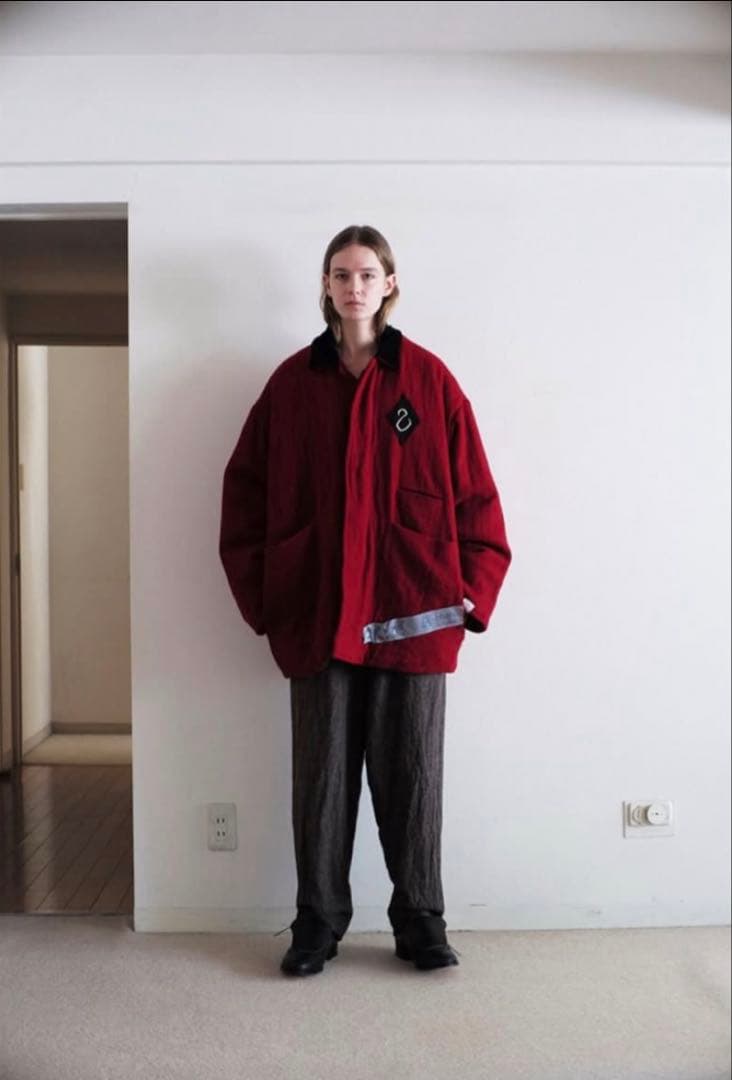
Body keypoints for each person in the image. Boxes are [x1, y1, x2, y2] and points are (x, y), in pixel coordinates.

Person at [219, 224, 512, 976]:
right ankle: (317, 923)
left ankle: (421, 922)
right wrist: (264, 602)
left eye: (368, 274)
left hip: (413, 618)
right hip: (317, 618)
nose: (355, 286)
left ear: (390, 285)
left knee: (413, 777)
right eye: (342, 274)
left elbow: (477, 495)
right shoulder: (291, 386)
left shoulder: (429, 381)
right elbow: (244, 496)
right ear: (325, 285)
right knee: (320, 783)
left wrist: (473, 594)